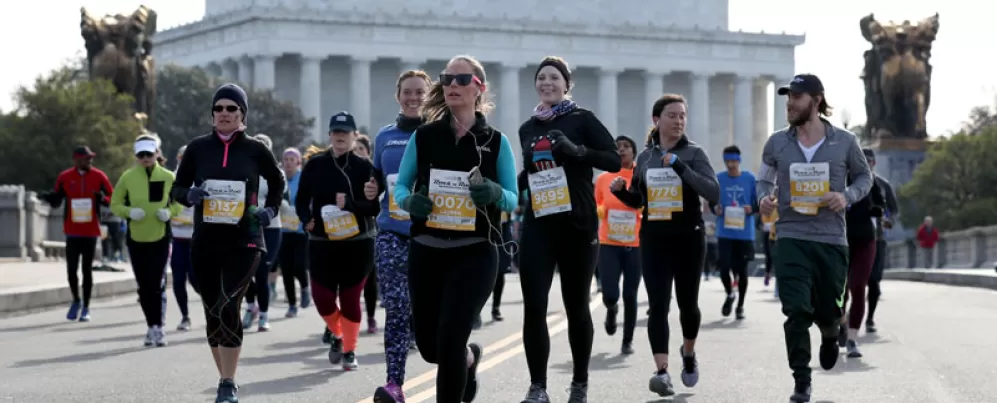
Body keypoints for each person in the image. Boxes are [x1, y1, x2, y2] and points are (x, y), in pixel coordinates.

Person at [393, 55, 519, 403]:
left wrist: (495, 193)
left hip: (475, 252)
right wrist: (409, 202)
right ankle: (469, 358)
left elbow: (513, 198)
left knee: (449, 339)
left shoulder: (496, 142)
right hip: (427, 250)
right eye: (447, 79)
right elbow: (400, 188)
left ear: (479, 89)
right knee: (432, 348)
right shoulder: (425, 136)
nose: (451, 85)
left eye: (461, 80)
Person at [757, 74, 872, 403]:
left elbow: (865, 176)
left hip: (832, 239)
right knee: (795, 311)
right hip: (791, 235)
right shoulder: (776, 143)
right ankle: (802, 380)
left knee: (828, 310)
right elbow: (763, 181)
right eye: (787, 97)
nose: (790, 103)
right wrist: (764, 198)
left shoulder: (846, 142)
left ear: (816, 100)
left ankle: (830, 331)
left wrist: (846, 195)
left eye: (796, 97)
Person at [170, 83, 285, 403]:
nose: (224, 113)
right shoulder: (197, 149)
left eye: (231, 108)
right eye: (218, 108)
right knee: (212, 311)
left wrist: (270, 210)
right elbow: (176, 189)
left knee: (228, 304)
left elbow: (278, 181)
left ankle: (228, 382)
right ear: (212, 114)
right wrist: (188, 195)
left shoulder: (255, 150)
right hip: (206, 241)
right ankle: (224, 375)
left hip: (245, 240)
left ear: (242, 115)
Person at [517, 56, 621, 403]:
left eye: (554, 78)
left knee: (576, 306)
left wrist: (577, 150)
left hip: (578, 224)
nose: (547, 83)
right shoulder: (528, 128)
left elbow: (613, 159)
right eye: (541, 78)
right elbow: (530, 173)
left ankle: (579, 383)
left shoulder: (582, 119)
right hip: (539, 224)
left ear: (566, 85)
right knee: (534, 306)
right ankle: (538, 386)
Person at [610, 93, 719, 397]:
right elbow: (638, 199)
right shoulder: (645, 157)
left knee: (688, 305)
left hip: (689, 236)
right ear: (657, 121)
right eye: (672, 115)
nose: (679, 121)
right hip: (654, 237)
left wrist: (682, 168)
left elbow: (713, 192)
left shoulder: (695, 153)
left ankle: (688, 353)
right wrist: (622, 192)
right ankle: (662, 371)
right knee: (658, 304)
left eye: (683, 115)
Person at [296, 111, 380, 371]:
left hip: (358, 243)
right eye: (336, 132)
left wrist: (353, 205)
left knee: (351, 297)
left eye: (345, 132)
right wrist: (306, 218)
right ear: (330, 135)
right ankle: (338, 332)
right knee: (322, 299)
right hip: (322, 241)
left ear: (355, 136)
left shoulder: (365, 168)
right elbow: (301, 200)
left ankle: (350, 350)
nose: (340, 137)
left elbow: (374, 208)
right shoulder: (315, 164)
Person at [366, 69, 430, 403]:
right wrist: (370, 188)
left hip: (432, 234)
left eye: (420, 91)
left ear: (429, 95)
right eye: (408, 91)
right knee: (396, 308)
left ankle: (462, 358)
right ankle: (394, 383)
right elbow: (376, 179)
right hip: (392, 231)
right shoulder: (384, 137)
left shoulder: (440, 134)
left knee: (432, 315)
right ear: (398, 95)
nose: (413, 97)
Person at [111, 134, 182, 346]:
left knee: (156, 282)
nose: (145, 158)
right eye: (141, 154)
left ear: (156, 154)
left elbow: (180, 201)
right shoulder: (127, 177)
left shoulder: (168, 177)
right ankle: (151, 326)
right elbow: (115, 204)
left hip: (160, 237)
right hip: (136, 238)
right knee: (143, 286)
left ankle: (158, 327)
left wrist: (170, 212)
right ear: (136, 156)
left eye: (148, 154)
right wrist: (129, 212)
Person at [43, 146, 114, 322]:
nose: (90, 161)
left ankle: (86, 308)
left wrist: (102, 199)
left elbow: (113, 197)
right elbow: (57, 199)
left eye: (91, 158)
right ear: (76, 160)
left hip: (91, 231)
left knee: (87, 270)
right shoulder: (65, 177)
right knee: (71, 270)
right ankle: (76, 300)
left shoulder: (99, 176)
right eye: (86, 158)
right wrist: (50, 198)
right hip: (72, 231)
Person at [593, 135, 642, 355]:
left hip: (635, 242)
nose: (622, 150)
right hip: (609, 242)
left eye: (626, 147)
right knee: (610, 293)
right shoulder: (604, 178)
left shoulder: (641, 176)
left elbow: (649, 200)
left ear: (634, 151)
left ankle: (627, 340)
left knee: (630, 294)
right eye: (618, 147)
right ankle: (611, 309)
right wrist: (600, 210)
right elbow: (596, 203)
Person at [837, 147, 885, 358]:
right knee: (839, 292)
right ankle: (841, 323)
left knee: (858, 287)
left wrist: (878, 210)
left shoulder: (871, 182)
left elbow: (882, 205)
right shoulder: (837, 180)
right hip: (839, 240)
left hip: (866, 240)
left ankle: (852, 339)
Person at [241, 133, 284, 332]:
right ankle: (251, 307)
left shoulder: (276, 173)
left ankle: (264, 316)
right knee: (246, 272)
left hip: (271, 227)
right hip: (248, 225)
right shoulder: (242, 170)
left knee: (262, 272)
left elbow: (277, 196)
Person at [713, 145, 757, 320]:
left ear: (739, 161)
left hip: (744, 232)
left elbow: (758, 202)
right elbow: (712, 200)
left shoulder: (749, 179)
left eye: (733, 161)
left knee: (742, 270)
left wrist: (751, 208)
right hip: (725, 231)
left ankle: (740, 305)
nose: (730, 165)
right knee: (724, 267)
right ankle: (730, 293)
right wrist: (714, 208)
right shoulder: (719, 179)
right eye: (727, 161)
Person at [866, 150, 898, 333]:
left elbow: (893, 210)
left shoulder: (883, 185)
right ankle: (843, 318)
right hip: (851, 238)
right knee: (846, 282)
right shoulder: (848, 183)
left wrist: (889, 221)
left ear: (874, 164)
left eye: (869, 161)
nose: (866, 164)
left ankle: (870, 317)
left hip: (877, 238)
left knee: (874, 281)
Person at [353, 134, 381, 334]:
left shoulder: (375, 173)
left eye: (361, 150)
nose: (357, 154)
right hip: (346, 231)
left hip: (371, 230)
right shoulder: (346, 172)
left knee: (370, 278)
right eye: (354, 151)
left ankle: (370, 316)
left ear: (368, 152)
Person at [278, 147, 310, 317]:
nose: (289, 163)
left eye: (292, 160)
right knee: (286, 269)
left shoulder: (304, 179)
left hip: (301, 230)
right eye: (286, 160)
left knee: (299, 265)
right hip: (283, 230)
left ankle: (305, 287)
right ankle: (292, 304)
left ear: (298, 162)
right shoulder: (279, 179)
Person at [170, 145, 197, 331]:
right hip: (177, 238)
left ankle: (213, 307)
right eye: (181, 158)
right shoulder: (170, 179)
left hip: (197, 240)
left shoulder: (202, 179)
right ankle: (185, 316)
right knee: (178, 280)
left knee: (196, 280)